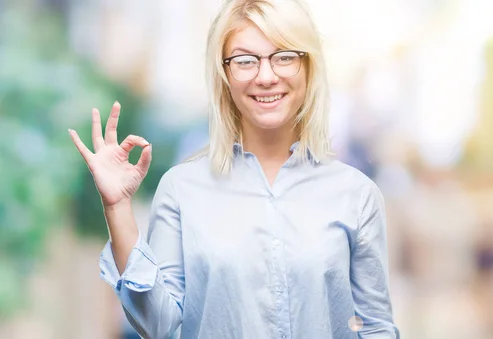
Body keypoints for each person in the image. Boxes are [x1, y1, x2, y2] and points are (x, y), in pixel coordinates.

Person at [68, 0, 399, 338]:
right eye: (245, 61)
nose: (266, 76)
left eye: (284, 56)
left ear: (308, 67)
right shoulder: (182, 190)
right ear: (224, 74)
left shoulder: (356, 194)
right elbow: (158, 326)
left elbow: (375, 328)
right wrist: (117, 207)